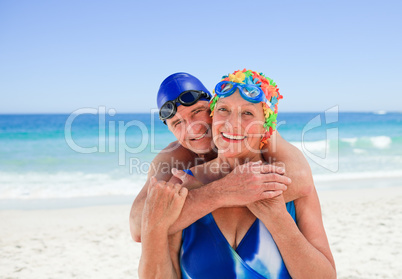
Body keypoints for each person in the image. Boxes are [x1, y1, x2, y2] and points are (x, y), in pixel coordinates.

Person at [139, 70, 336, 278]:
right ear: (213, 116)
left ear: (266, 129)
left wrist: (279, 219)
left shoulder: (291, 185)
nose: (232, 123)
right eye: (224, 110)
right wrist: (225, 191)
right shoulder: (182, 185)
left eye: (248, 113)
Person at [130, 72, 314, 242]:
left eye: (197, 112)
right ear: (171, 130)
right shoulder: (174, 157)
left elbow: (301, 179)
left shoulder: (257, 133)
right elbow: (139, 227)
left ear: (214, 108)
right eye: (178, 123)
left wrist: (190, 203)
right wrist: (223, 192)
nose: (193, 127)